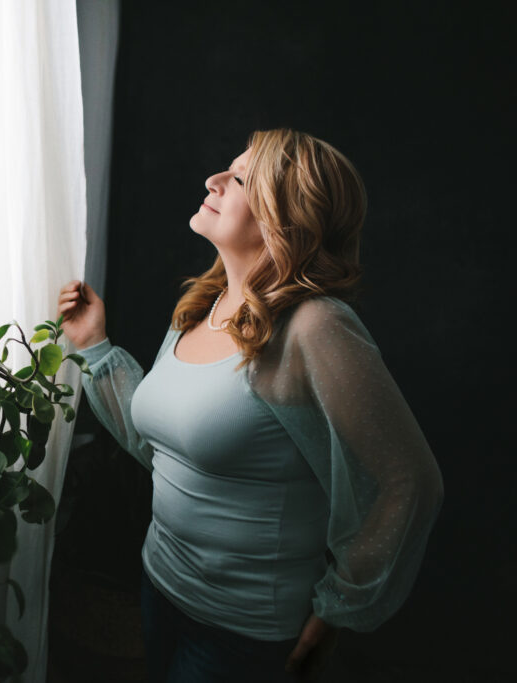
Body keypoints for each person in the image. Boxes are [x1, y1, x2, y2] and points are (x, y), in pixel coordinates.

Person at [57, 128, 443, 683]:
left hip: (245, 632)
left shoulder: (315, 326)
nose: (213, 180)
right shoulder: (202, 307)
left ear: (284, 219)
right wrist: (95, 346)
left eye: (237, 178)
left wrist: (338, 608)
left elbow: (409, 479)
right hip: (159, 586)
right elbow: (158, 446)